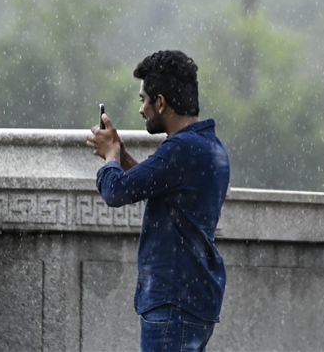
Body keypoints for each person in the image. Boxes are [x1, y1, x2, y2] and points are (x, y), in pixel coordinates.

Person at [87, 50, 230, 352]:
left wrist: (110, 156)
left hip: (172, 301)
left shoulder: (181, 149)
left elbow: (115, 191)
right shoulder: (209, 146)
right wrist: (121, 154)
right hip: (196, 298)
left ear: (161, 102)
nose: (141, 109)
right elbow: (154, 183)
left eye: (144, 100)